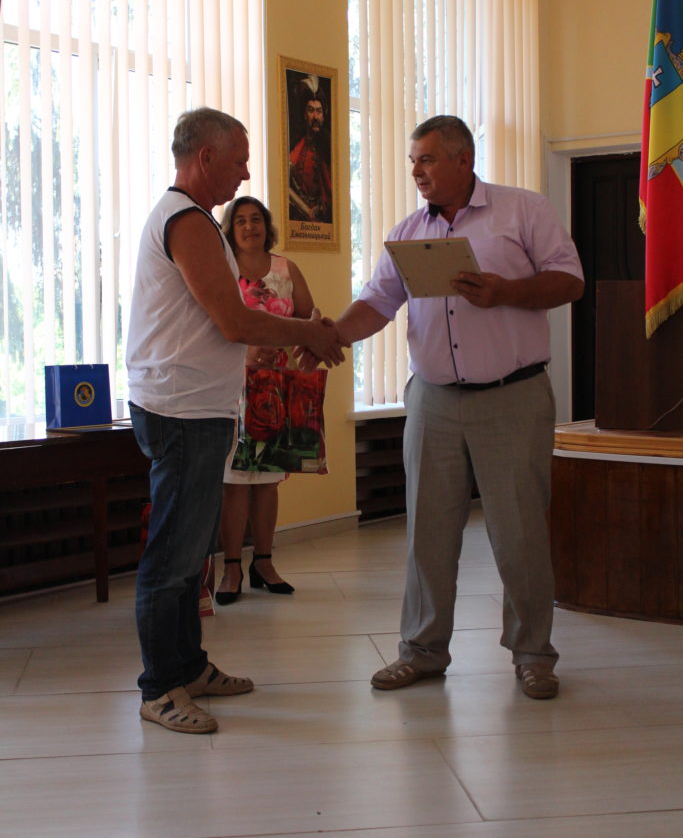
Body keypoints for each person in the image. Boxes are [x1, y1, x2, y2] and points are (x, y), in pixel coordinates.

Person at [298, 115, 584, 701]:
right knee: (427, 533)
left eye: (426, 159)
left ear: (462, 159)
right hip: (432, 400)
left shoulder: (521, 211)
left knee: (520, 534)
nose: (416, 172)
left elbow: (570, 280)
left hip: (512, 396)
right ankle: (422, 651)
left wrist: (506, 292)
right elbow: (378, 300)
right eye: (412, 161)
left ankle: (533, 655)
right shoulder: (409, 232)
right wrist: (331, 335)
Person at [126, 107, 344, 735]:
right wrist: (308, 332)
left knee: (191, 550)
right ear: (206, 157)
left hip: (196, 406)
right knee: (173, 555)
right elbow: (234, 321)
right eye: (240, 159)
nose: (246, 172)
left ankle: (188, 667)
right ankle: (159, 688)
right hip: (180, 409)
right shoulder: (186, 221)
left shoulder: (194, 220)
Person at [214, 195, 316, 605]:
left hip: (276, 387)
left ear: (266, 225)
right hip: (231, 389)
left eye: (256, 219)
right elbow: (208, 324)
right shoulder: (221, 270)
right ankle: (232, 568)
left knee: (268, 481)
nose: (249, 227)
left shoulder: (286, 269)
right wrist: (246, 352)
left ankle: (264, 563)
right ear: (230, 229)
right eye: (240, 220)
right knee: (235, 483)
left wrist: (295, 344)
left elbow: (308, 318)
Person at [288, 75, 332, 223]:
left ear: (323, 116)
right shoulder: (296, 145)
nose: (315, 116)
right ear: (304, 115)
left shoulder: (327, 147)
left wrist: (320, 207)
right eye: (311, 110)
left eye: (319, 111)